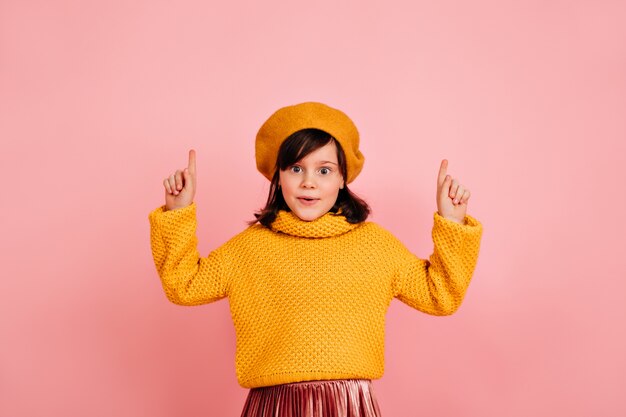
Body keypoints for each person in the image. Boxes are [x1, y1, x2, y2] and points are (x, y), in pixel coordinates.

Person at [148, 102, 483, 417]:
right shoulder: (248, 249)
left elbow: (441, 296)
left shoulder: (375, 246)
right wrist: (178, 213)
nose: (309, 181)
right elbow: (184, 285)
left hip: (348, 405)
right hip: (273, 405)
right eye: (296, 168)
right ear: (278, 176)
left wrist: (451, 222)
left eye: (324, 170)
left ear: (343, 179)